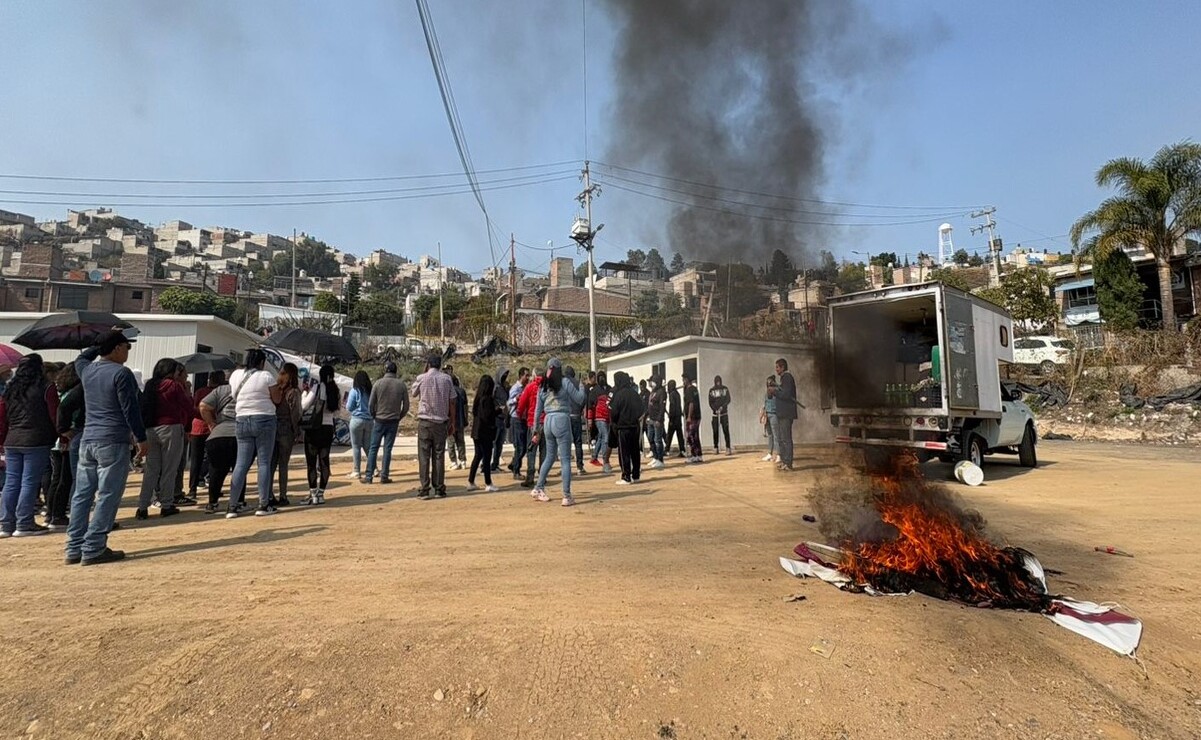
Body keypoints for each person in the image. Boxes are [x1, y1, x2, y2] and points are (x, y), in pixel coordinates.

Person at [65, 330, 146, 565]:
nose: (128, 352)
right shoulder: (121, 373)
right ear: (117, 348)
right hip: (113, 439)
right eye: (126, 347)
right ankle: (94, 546)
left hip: (88, 439)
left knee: (82, 495)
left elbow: (81, 358)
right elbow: (130, 408)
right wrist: (141, 438)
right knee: (108, 495)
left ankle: (74, 546)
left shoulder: (87, 370)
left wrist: (99, 343)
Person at [0, 354, 59, 537]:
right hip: (37, 439)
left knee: (11, 482)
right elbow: (54, 414)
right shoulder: (46, 387)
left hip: (12, 439)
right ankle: (24, 523)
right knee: (29, 482)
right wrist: (61, 435)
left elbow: (3, 416)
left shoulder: (10, 389)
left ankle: (6, 524)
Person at [226, 349, 282, 518]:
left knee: (241, 464)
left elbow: (233, 394)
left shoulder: (236, 375)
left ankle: (232, 506)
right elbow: (277, 399)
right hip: (264, 418)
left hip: (242, 419)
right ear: (261, 362)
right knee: (264, 463)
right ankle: (263, 504)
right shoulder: (266, 376)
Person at [137, 358, 192, 520]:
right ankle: (166, 504)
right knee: (170, 469)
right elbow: (187, 406)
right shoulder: (174, 386)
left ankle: (142, 506)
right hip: (171, 428)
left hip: (151, 429)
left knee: (151, 470)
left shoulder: (150, 385)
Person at [530, 358, 586, 505]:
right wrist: (581, 385)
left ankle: (538, 487)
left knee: (549, 456)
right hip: (561, 419)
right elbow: (580, 399)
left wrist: (535, 429)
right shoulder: (565, 382)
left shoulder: (543, 385)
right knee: (565, 459)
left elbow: (537, 410)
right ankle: (566, 495)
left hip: (547, 421)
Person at [411, 354, 455, 499]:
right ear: (440, 365)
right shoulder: (447, 379)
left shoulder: (422, 378)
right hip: (441, 422)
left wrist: (424, 372)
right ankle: (439, 488)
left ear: (428, 364)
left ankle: (424, 488)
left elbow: (413, 393)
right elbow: (452, 401)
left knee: (424, 456)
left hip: (425, 422)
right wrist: (452, 422)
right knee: (439, 455)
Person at [50, 362, 85, 530]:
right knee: (67, 479)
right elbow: (67, 414)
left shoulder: (63, 392)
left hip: (61, 441)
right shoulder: (75, 393)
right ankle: (60, 514)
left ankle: (54, 514)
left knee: (59, 479)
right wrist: (65, 432)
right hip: (67, 439)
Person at [198, 377, 238, 514]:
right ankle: (238, 502)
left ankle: (212, 503)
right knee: (239, 469)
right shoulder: (250, 388)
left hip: (217, 435)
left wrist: (211, 424)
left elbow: (203, 406)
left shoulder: (221, 390)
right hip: (239, 433)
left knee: (216, 471)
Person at [365, 361, 408, 485]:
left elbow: (370, 404)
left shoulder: (378, 383)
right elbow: (406, 406)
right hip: (393, 421)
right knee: (387, 449)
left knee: (373, 448)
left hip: (379, 419)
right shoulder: (401, 385)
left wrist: (374, 415)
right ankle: (384, 475)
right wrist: (399, 417)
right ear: (396, 371)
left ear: (385, 370)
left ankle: (369, 476)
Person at [301, 364, 338, 505]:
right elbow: (337, 412)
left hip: (314, 428)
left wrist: (304, 393)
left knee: (311, 463)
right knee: (324, 461)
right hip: (328, 428)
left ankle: (313, 494)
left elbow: (304, 405)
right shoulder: (335, 390)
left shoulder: (317, 387)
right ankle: (321, 493)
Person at [269, 363, 302, 506]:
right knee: (283, 464)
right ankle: (283, 495)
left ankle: (268, 494)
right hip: (286, 429)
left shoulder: (275, 390)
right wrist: (297, 431)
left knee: (271, 464)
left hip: (272, 428)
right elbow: (296, 413)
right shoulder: (293, 392)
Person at [187, 372, 222, 500]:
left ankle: (192, 490)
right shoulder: (218, 393)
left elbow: (194, 407)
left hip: (196, 428)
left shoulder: (199, 391)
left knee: (195, 460)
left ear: (209, 380)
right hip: (212, 429)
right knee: (214, 461)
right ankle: (214, 489)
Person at [608, 371, 644, 486]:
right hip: (635, 426)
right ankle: (636, 475)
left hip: (623, 427)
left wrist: (615, 422)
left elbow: (614, 412)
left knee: (624, 453)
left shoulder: (619, 395)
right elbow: (641, 409)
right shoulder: (634, 393)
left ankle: (626, 476)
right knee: (635, 452)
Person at [466, 374, 500, 492]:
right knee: (487, 457)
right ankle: (488, 483)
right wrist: (498, 411)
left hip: (477, 432)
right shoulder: (488, 399)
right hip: (485, 432)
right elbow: (487, 416)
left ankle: (471, 481)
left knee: (478, 456)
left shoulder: (478, 398)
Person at [516, 370, 544, 488]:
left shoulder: (530, 387)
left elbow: (522, 403)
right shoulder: (547, 387)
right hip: (546, 422)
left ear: (534, 375)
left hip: (533, 423)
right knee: (544, 451)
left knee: (531, 451)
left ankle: (530, 477)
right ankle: (542, 476)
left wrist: (519, 415)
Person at [346, 370, 374, 480]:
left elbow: (349, 407)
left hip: (357, 420)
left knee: (356, 446)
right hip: (369, 421)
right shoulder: (370, 391)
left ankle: (356, 471)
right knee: (368, 447)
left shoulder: (355, 391)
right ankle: (374, 468)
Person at [774, 358, 799, 471]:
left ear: (782, 367)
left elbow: (786, 394)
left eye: (777, 367)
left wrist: (774, 392)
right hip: (782, 414)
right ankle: (784, 461)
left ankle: (788, 463)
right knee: (781, 438)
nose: (776, 370)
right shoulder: (783, 379)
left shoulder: (787, 378)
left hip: (786, 414)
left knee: (786, 439)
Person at [506, 367, 530, 480]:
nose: (528, 378)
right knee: (520, 446)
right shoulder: (515, 388)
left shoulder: (526, 387)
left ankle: (514, 463)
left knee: (523, 446)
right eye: (526, 375)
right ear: (521, 376)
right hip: (516, 419)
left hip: (524, 418)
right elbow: (508, 402)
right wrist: (516, 399)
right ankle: (516, 470)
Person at [563, 366, 587, 476]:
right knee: (578, 442)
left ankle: (565, 467)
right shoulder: (578, 383)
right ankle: (579, 467)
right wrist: (580, 410)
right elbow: (583, 399)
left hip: (565, 416)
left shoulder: (562, 383)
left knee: (565, 443)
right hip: (576, 415)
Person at [587, 371, 612, 474]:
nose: (602, 379)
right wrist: (589, 419)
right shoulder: (595, 390)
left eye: (603, 377)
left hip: (608, 417)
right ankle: (605, 461)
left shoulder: (610, 389)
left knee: (601, 437)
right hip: (599, 418)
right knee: (606, 437)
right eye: (600, 377)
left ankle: (594, 457)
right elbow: (590, 405)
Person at [491, 368, 510, 473]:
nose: (505, 377)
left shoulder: (504, 387)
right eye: (503, 375)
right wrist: (497, 408)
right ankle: (487, 464)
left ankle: (495, 463)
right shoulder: (495, 388)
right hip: (496, 418)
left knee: (500, 443)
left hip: (503, 418)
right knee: (493, 442)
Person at [708, 375, 733, 455]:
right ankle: (716, 447)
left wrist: (723, 407)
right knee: (715, 431)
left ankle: (728, 447)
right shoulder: (711, 390)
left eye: (719, 381)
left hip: (724, 413)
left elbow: (728, 399)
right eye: (717, 381)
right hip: (715, 414)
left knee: (726, 430)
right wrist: (715, 409)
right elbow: (710, 402)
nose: (718, 383)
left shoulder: (725, 389)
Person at [448, 375, 469, 470]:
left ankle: (454, 462)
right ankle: (463, 461)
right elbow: (465, 406)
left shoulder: (448, 391)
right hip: (460, 420)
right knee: (460, 441)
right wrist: (466, 419)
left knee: (451, 442)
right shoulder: (462, 391)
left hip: (450, 421)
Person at [646, 377, 667, 469]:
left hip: (657, 420)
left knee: (657, 440)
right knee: (650, 438)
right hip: (650, 419)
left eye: (653, 382)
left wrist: (659, 419)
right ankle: (655, 457)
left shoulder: (661, 392)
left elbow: (662, 407)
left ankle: (660, 459)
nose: (652, 383)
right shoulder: (653, 392)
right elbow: (650, 405)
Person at [683, 376, 703, 463]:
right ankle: (699, 455)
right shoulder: (695, 389)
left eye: (684, 380)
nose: (683, 382)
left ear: (687, 380)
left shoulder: (689, 390)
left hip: (692, 417)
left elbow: (691, 403)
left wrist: (689, 416)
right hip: (697, 416)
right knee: (695, 436)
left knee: (690, 436)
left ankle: (694, 455)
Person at [761, 376, 780, 463]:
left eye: (770, 382)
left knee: (776, 436)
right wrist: (763, 412)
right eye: (767, 382)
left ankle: (779, 455)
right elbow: (765, 403)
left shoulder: (776, 391)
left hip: (774, 415)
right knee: (770, 435)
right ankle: (769, 453)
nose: (768, 383)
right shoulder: (766, 392)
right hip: (767, 415)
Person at [665, 379, 684, 458]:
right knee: (679, 434)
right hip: (678, 417)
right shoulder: (677, 394)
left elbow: (672, 406)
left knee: (669, 435)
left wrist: (671, 417)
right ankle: (682, 450)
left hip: (674, 417)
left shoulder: (672, 394)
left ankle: (666, 450)